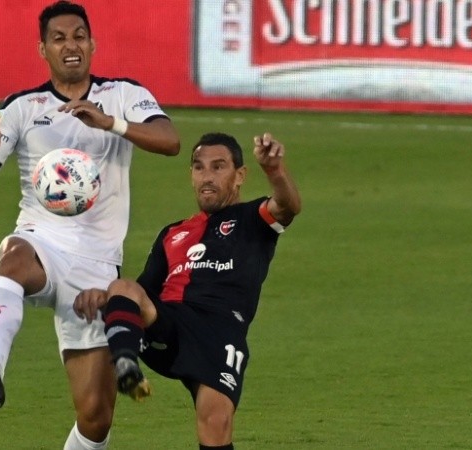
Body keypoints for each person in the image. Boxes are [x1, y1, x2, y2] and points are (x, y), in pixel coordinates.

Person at [0, 1, 180, 449]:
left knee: (96, 418)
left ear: (92, 44)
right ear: (43, 49)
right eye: (59, 38)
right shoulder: (22, 108)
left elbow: (170, 141)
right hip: (42, 242)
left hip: (97, 265)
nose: (70, 46)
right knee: (12, 258)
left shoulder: (122, 95)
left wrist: (109, 122)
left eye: (78, 36)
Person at [73, 132, 301, 449]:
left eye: (218, 167)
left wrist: (275, 171)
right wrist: (107, 298)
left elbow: (288, 206)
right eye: (199, 167)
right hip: (169, 324)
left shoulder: (252, 218)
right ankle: (126, 363)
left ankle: (126, 359)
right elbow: (141, 292)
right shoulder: (172, 233)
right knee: (122, 286)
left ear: (240, 176)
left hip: (219, 331)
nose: (206, 177)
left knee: (215, 422)